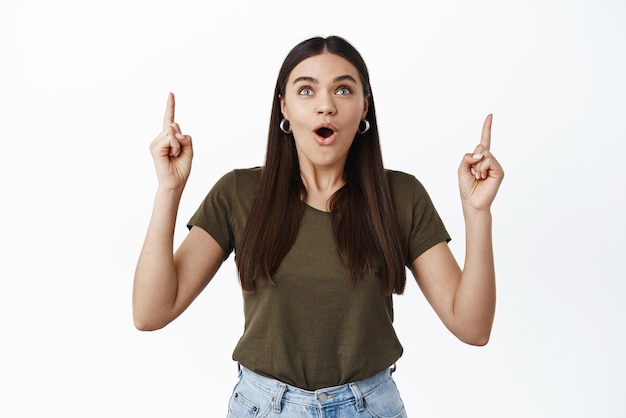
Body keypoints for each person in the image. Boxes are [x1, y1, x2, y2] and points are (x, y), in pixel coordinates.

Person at [133, 35, 504, 418]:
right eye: (306, 90)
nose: (325, 105)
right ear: (284, 107)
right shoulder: (239, 193)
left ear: (364, 108)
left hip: (370, 407)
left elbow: (472, 328)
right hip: (264, 406)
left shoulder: (400, 195)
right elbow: (150, 312)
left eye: (343, 89)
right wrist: (168, 189)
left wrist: (478, 212)